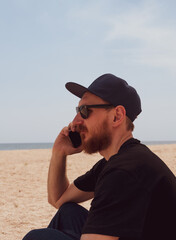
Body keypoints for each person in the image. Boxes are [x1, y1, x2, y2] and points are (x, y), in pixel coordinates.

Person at [22, 73, 176, 240]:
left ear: (117, 116)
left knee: (38, 238)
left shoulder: (125, 171)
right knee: (68, 212)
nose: (75, 121)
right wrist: (59, 153)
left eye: (85, 111)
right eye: (77, 110)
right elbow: (58, 199)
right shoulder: (115, 161)